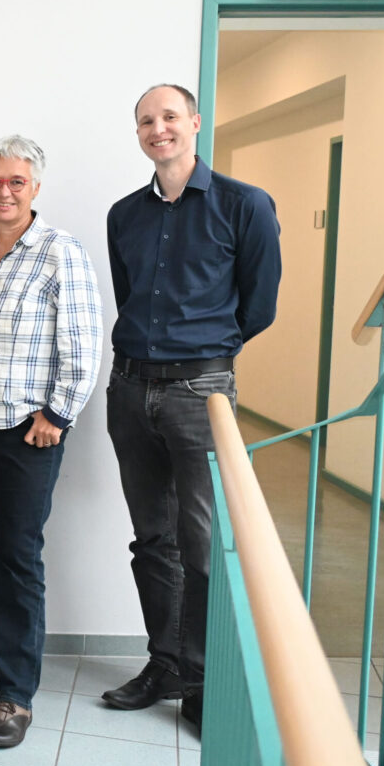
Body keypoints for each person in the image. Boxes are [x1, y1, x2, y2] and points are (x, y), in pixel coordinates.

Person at [101, 84, 281, 732]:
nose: (158, 129)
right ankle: (164, 662)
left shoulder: (245, 206)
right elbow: (129, 298)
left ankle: (202, 679)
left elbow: (258, 306)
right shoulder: (125, 214)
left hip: (200, 394)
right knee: (152, 539)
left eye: (169, 117)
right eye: (146, 120)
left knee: (199, 544)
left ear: (196, 122)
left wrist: (204, 355)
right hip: (129, 390)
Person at [0, 135, 102, 748]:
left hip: (26, 434)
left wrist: (57, 416)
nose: (4, 191)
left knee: (17, 556)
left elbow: (85, 345)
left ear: (35, 188)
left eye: (16, 181)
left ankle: (16, 693)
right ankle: (4, 656)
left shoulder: (60, 252)